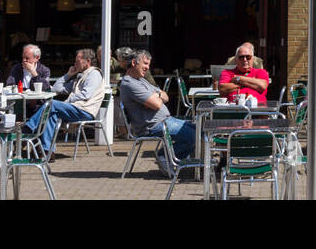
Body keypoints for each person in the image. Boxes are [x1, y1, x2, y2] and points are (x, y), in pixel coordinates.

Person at [118, 49, 194, 177]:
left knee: (199, 131)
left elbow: (166, 96)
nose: (147, 68)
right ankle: (164, 156)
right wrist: (157, 96)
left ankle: (175, 159)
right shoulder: (129, 84)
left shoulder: (140, 80)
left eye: (148, 64)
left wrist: (156, 94)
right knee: (193, 136)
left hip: (165, 120)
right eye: (145, 64)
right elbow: (157, 104)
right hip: (152, 126)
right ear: (133, 63)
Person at [23, 48, 106, 156]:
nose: (75, 63)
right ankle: (47, 151)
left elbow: (86, 95)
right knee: (51, 114)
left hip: (85, 110)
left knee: (51, 105)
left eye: (78, 60)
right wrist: (69, 74)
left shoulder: (94, 74)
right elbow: (56, 89)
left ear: (88, 61)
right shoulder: (80, 76)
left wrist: (67, 101)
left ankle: (28, 128)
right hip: (76, 108)